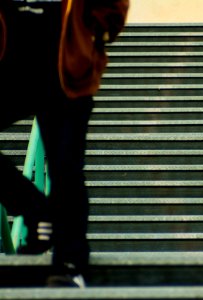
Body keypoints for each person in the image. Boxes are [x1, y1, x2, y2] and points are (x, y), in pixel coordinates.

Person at [0, 0, 129, 287]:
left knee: (65, 167)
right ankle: (34, 208)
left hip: (64, 60)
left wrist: (99, 30)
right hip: (8, 56)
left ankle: (70, 264)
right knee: (64, 168)